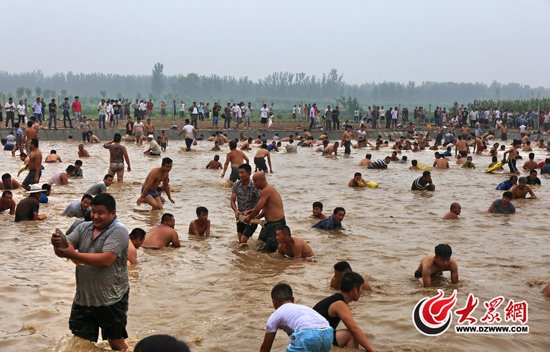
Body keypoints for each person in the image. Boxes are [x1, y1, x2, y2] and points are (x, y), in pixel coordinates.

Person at [50, 193, 129, 351]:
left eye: (101, 213)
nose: (95, 216)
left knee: (116, 343)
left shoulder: (119, 231)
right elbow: (66, 250)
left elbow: (105, 260)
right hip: (84, 297)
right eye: (93, 212)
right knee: (81, 343)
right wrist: (57, 245)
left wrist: (72, 254)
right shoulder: (83, 227)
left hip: (111, 298)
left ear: (112, 213)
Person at [313, 272, 376, 352]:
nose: (362, 292)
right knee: (351, 335)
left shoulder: (335, 299)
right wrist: (372, 351)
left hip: (311, 337)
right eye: (361, 288)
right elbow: (354, 330)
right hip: (314, 340)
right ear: (355, 290)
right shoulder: (340, 304)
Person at [260, 283, 333, 352]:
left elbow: (265, 348)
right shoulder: (303, 307)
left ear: (274, 302)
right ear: (293, 299)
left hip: (308, 335)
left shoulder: (275, 315)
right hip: (328, 333)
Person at [243, 173, 285, 252]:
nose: (254, 184)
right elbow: (267, 207)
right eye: (253, 181)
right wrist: (258, 216)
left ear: (262, 180)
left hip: (276, 224)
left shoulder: (266, 190)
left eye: (255, 181)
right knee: (260, 246)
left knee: (270, 250)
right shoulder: (266, 190)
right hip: (268, 223)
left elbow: (258, 208)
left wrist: (249, 217)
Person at [231, 164, 262, 244]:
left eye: (242, 173)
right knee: (241, 241)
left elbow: (261, 204)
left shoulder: (255, 186)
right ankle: (243, 256)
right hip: (240, 217)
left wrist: (250, 211)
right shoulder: (236, 185)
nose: (240, 175)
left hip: (251, 217)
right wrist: (236, 211)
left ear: (249, 173)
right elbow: (232, 201)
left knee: (243, 240)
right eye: (239, 173)